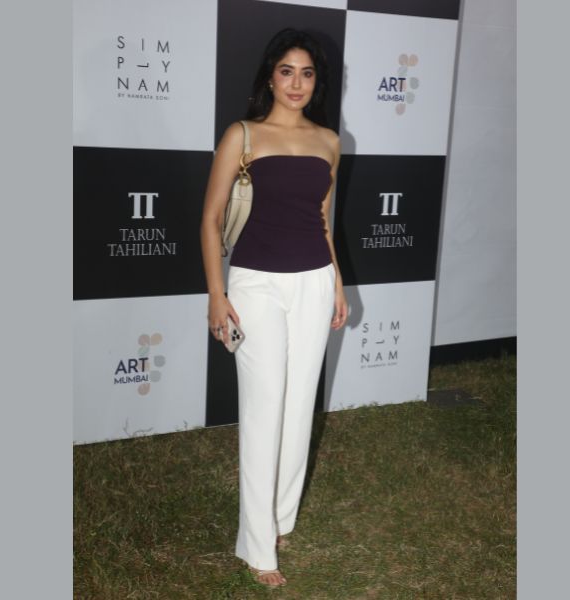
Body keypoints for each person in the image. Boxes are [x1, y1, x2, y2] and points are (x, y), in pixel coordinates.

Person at [200, 28, 348, 588]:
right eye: (287, 71)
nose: (296, 83)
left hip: (314, 281)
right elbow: (211, 219)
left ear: (316, 82)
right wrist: (217, 294)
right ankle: (256, 544)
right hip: (255, 284)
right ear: (270, 76)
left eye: (307, 73)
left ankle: (281, 518)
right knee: (264, 409)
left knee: (299, 403)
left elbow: (324, 221)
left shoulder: (329, 141)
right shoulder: (243, 134)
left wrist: (336, 284)